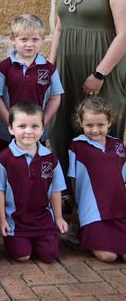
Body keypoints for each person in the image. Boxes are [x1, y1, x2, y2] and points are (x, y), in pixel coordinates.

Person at [49, 0, 126, 175]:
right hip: (67, 66)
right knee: (62, 127)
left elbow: (124, 34)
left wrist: (99, 73)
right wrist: (50, 67)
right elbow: (59, 29)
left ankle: (101, 196)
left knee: (99, 128)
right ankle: (68, 194)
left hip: (103, 69)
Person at [0, 102, 68, 263]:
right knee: (22, 255)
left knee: (49, 255)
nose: (28, 131)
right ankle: (20, 242)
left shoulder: (50, 158)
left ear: (42, 128)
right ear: (11, 128)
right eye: (22, 126)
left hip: (43, 219)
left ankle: (41, 239)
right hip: (16, 220)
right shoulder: (4, 159)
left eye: (34, 126)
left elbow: (56, 190)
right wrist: (2, 219)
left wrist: (58, 217)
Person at [0, 15, 63, 153]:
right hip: (9, 133)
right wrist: (10, 122)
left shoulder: (49, 69)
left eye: (35, 39)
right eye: (24, 39)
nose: (29, 44)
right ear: (13, 39)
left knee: (35, 167)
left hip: (36, 132)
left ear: (42, 40)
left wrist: (42, 123)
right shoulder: (5, 67)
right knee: (9, 167)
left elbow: (55, 98)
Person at [68, 97, 126, 262]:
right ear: (80, 123)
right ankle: (81, 234)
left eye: (100, 125)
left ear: (110, 122)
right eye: (89, 125)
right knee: (108, 257)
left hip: (118, 209)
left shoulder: (119, 146)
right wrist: (75, 207)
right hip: (93, 212)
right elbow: (74, 179)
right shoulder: (77, 146)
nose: (95, 130)